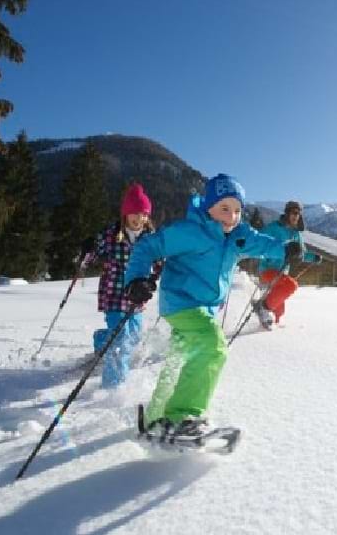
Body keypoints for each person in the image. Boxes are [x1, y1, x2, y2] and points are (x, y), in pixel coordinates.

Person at [123, 173, 302, 436]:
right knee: (213, 346)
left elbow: (261, 243)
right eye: (224, 208)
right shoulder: (190, 231)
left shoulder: (237, 234)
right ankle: (182, 416)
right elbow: (148, 246)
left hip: (204, 309)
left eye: (238, 210)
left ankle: (154, 417)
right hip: (181, 303)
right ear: (208, 207)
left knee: (177, 359)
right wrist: (136, 278)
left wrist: (284, 250)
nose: (232, 216)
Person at [82, 183, 155, 389]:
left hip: (136, 296)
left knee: (133, 337)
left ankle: (101, 339)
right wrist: (88, 249)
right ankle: (113, 387)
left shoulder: (151, 239)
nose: (138, 218)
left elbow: (160, 262)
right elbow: (90, 257)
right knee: (121, 340)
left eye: (142, 214)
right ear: (125, 214)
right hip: (114, 294)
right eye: (133, 213)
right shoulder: (110, 235)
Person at [254, 200, 322, 328]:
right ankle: (261, 307)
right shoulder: (274, 228)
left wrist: (313, 258)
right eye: (293, 212)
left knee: (279, 313)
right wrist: (269, 256)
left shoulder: (297, 234)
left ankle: (266, 332)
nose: (296, 216)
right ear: (287, 213)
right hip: (268, 270)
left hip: (282, 272)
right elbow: (258, 243)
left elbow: (301, 254)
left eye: (298, 213)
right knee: (291, 285)